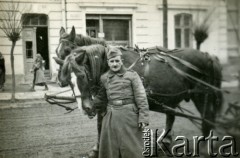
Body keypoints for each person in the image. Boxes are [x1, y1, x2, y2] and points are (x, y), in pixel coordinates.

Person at [93, 47, 149, 158]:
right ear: (108, 63)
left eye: (117, 61)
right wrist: (91, 105)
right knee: (110, 150)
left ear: (121, 61)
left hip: (129, 117)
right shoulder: (104, 78)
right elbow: (101, 98)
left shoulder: (132, 75)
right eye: (112, 61)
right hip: (111, 117)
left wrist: (143, 117)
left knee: (132, 149)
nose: (115, 64)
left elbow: (141, 97)